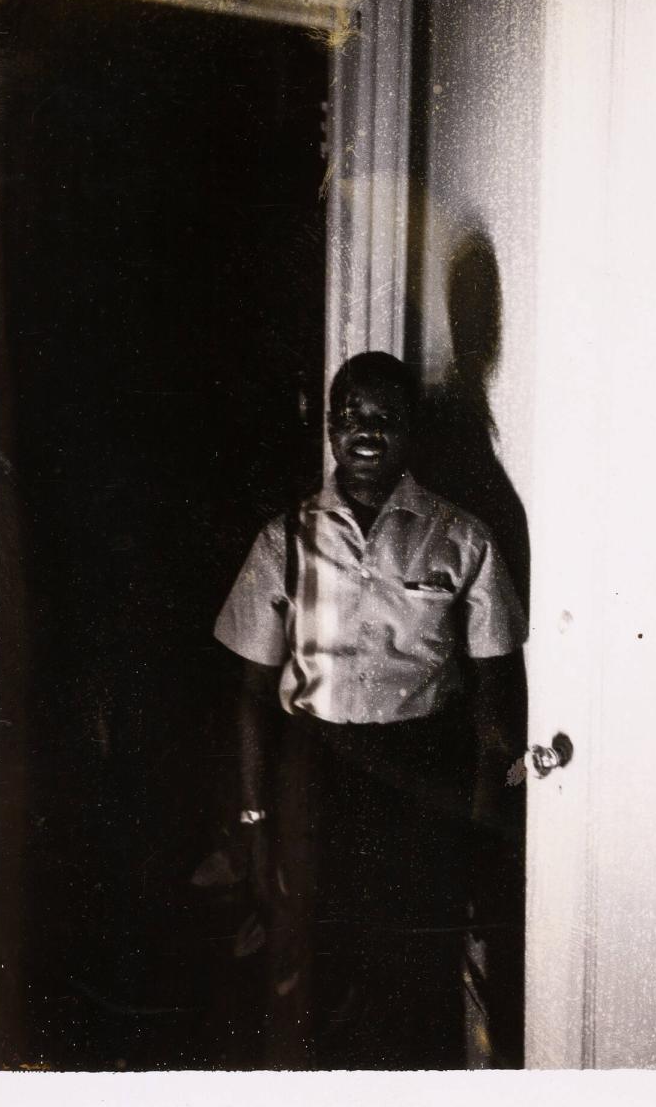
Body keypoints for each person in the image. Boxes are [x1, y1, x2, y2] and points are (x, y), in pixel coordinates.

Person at [213, 351, 527, 1070]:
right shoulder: (283, 539)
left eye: (386, 417)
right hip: (314, 770)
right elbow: (252, 695)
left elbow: (494, 696)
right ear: (329, 427)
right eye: (351, 415)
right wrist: (255, 820)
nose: (366, 430)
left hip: (419, 776)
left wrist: (481, 824)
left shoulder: (463, 537)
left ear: (412, 430)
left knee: (413, 973)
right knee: (309, 965)